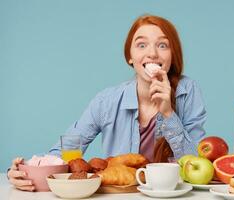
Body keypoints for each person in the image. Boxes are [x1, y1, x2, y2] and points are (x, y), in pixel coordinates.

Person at [7, 14, 207, 191]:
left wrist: (168, 113)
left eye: (162, 45)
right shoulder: (107, 101)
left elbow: (198, 165)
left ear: (172, 55)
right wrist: (24, 171)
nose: (152, 53)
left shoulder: (187, 91)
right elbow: (68, 148)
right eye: (141, 45)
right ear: (130, 57)